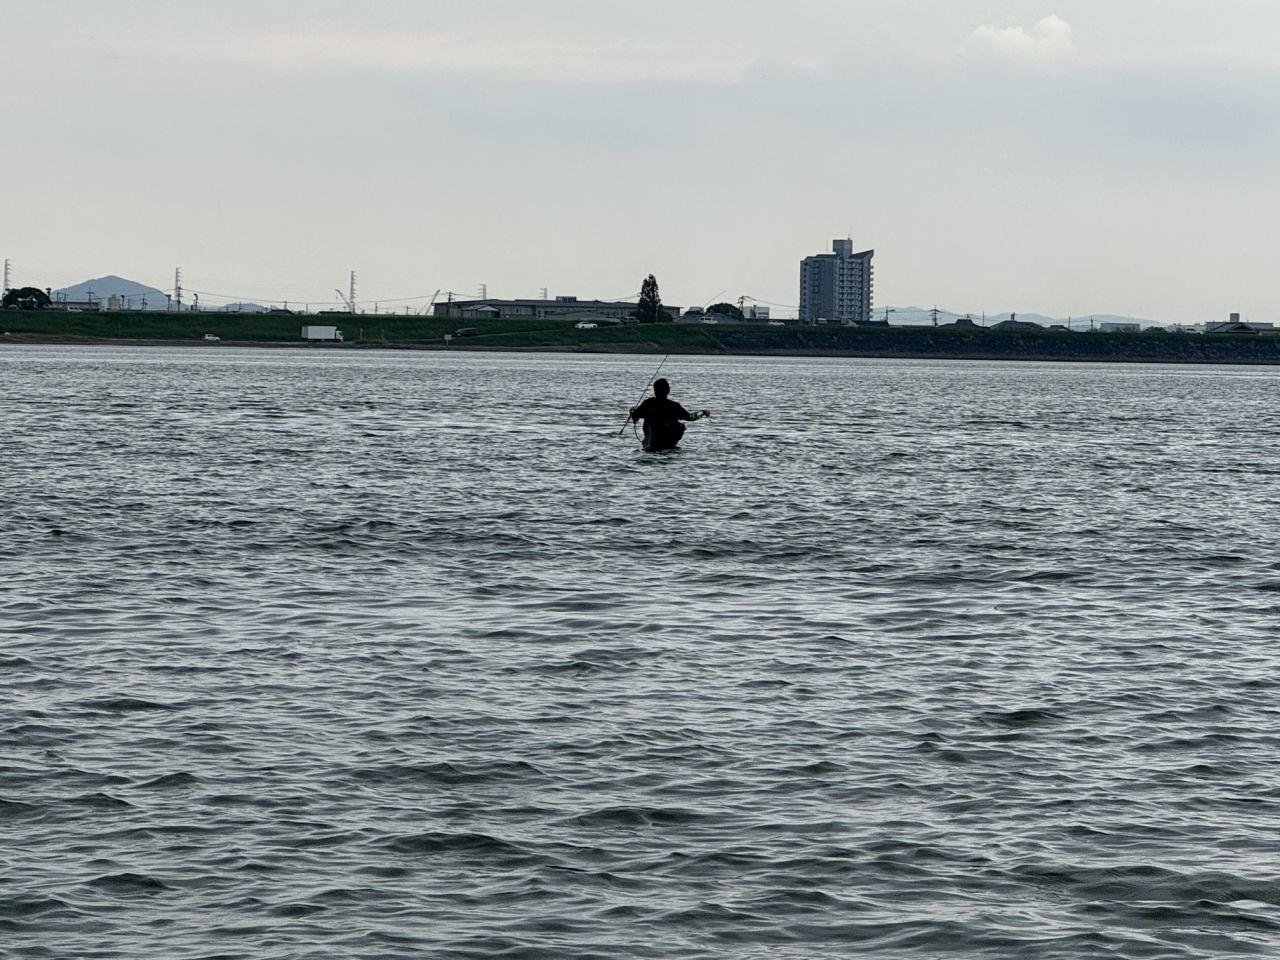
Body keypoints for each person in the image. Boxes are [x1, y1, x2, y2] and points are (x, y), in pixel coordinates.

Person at [629, 378, 710, 451]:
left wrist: (632, 410)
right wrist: (703, 412)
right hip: (668, 442)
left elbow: (635, 415)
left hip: (650, 444)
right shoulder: (674, 406)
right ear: (667, 390)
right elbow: (690, 417)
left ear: (655, 390)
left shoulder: (648, 403)